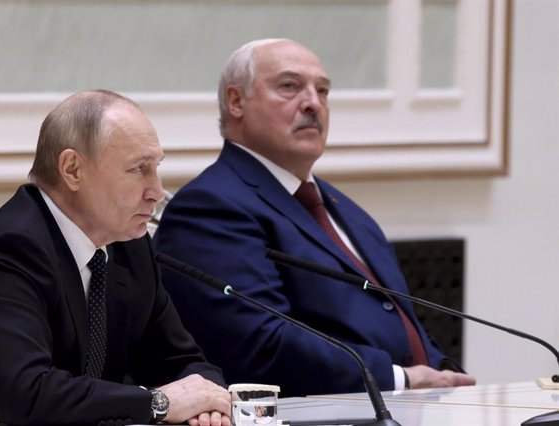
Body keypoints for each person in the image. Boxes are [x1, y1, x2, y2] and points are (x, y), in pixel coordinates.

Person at [0, 90, 231, 425]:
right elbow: (28, 395)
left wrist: (206, 402)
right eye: (139, 169)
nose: (156, 191)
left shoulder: (128, 246)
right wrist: (159, 403)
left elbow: (184, 364)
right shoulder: (9, 252)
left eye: (157, 167)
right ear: (72, 170)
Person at [153, 39, 476, 397]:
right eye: (289, 87)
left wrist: (443, 372)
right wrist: (399, 378)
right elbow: (260, 344)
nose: (313, 103)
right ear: (236, 101)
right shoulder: (210, 206)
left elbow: (401, 319)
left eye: (322, 91)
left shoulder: (347, 210)